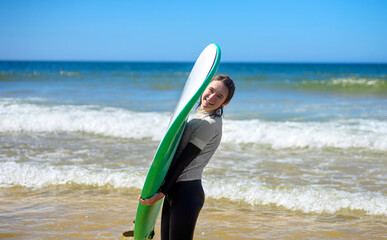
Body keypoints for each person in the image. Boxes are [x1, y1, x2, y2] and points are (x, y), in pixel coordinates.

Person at [138, 75, 235, 240]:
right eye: (210, 90)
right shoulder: (199, 116)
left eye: (219, 96)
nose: (211, 97)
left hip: (186, 192)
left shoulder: (208, 124)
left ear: (225, 103)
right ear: (204, 88)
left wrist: (161, 192)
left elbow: (184, 159)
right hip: (175, 189)